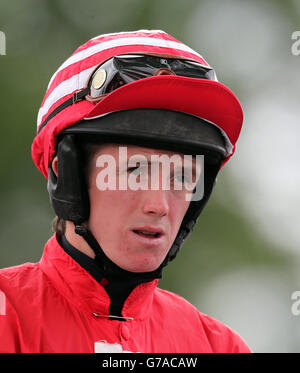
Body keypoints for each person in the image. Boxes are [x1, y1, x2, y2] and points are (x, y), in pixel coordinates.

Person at [0, 30, 251, 353]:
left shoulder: (219, 347)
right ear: (66, 173)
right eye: (135, 170)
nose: (159, 205)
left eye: (182, 177)